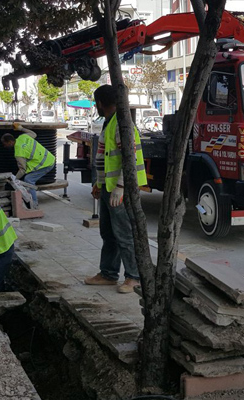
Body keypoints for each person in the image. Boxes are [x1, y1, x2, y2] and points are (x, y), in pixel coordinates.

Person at [83, 85, 146, 294]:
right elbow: (107, 157)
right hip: (109, 187)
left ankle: (133, 277)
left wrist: (120, 187)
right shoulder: (109, 123)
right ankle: (108, 273)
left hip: (121, 189)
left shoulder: (121, 124)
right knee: (108, 233)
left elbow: (129, 158)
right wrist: (99, 184)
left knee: (124, 233)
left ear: (100, 103)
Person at [0, 124, 55, 208]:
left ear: (10, 142)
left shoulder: (18, 152)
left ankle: (34, 203)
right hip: (49, 158)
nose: (4, 146)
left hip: (46, 165)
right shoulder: (23, 137)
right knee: (28, 177)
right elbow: (34, 134)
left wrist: (14, 179)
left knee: (28, 179)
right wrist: (21, 128)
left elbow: (23, 170)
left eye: (5, 144)